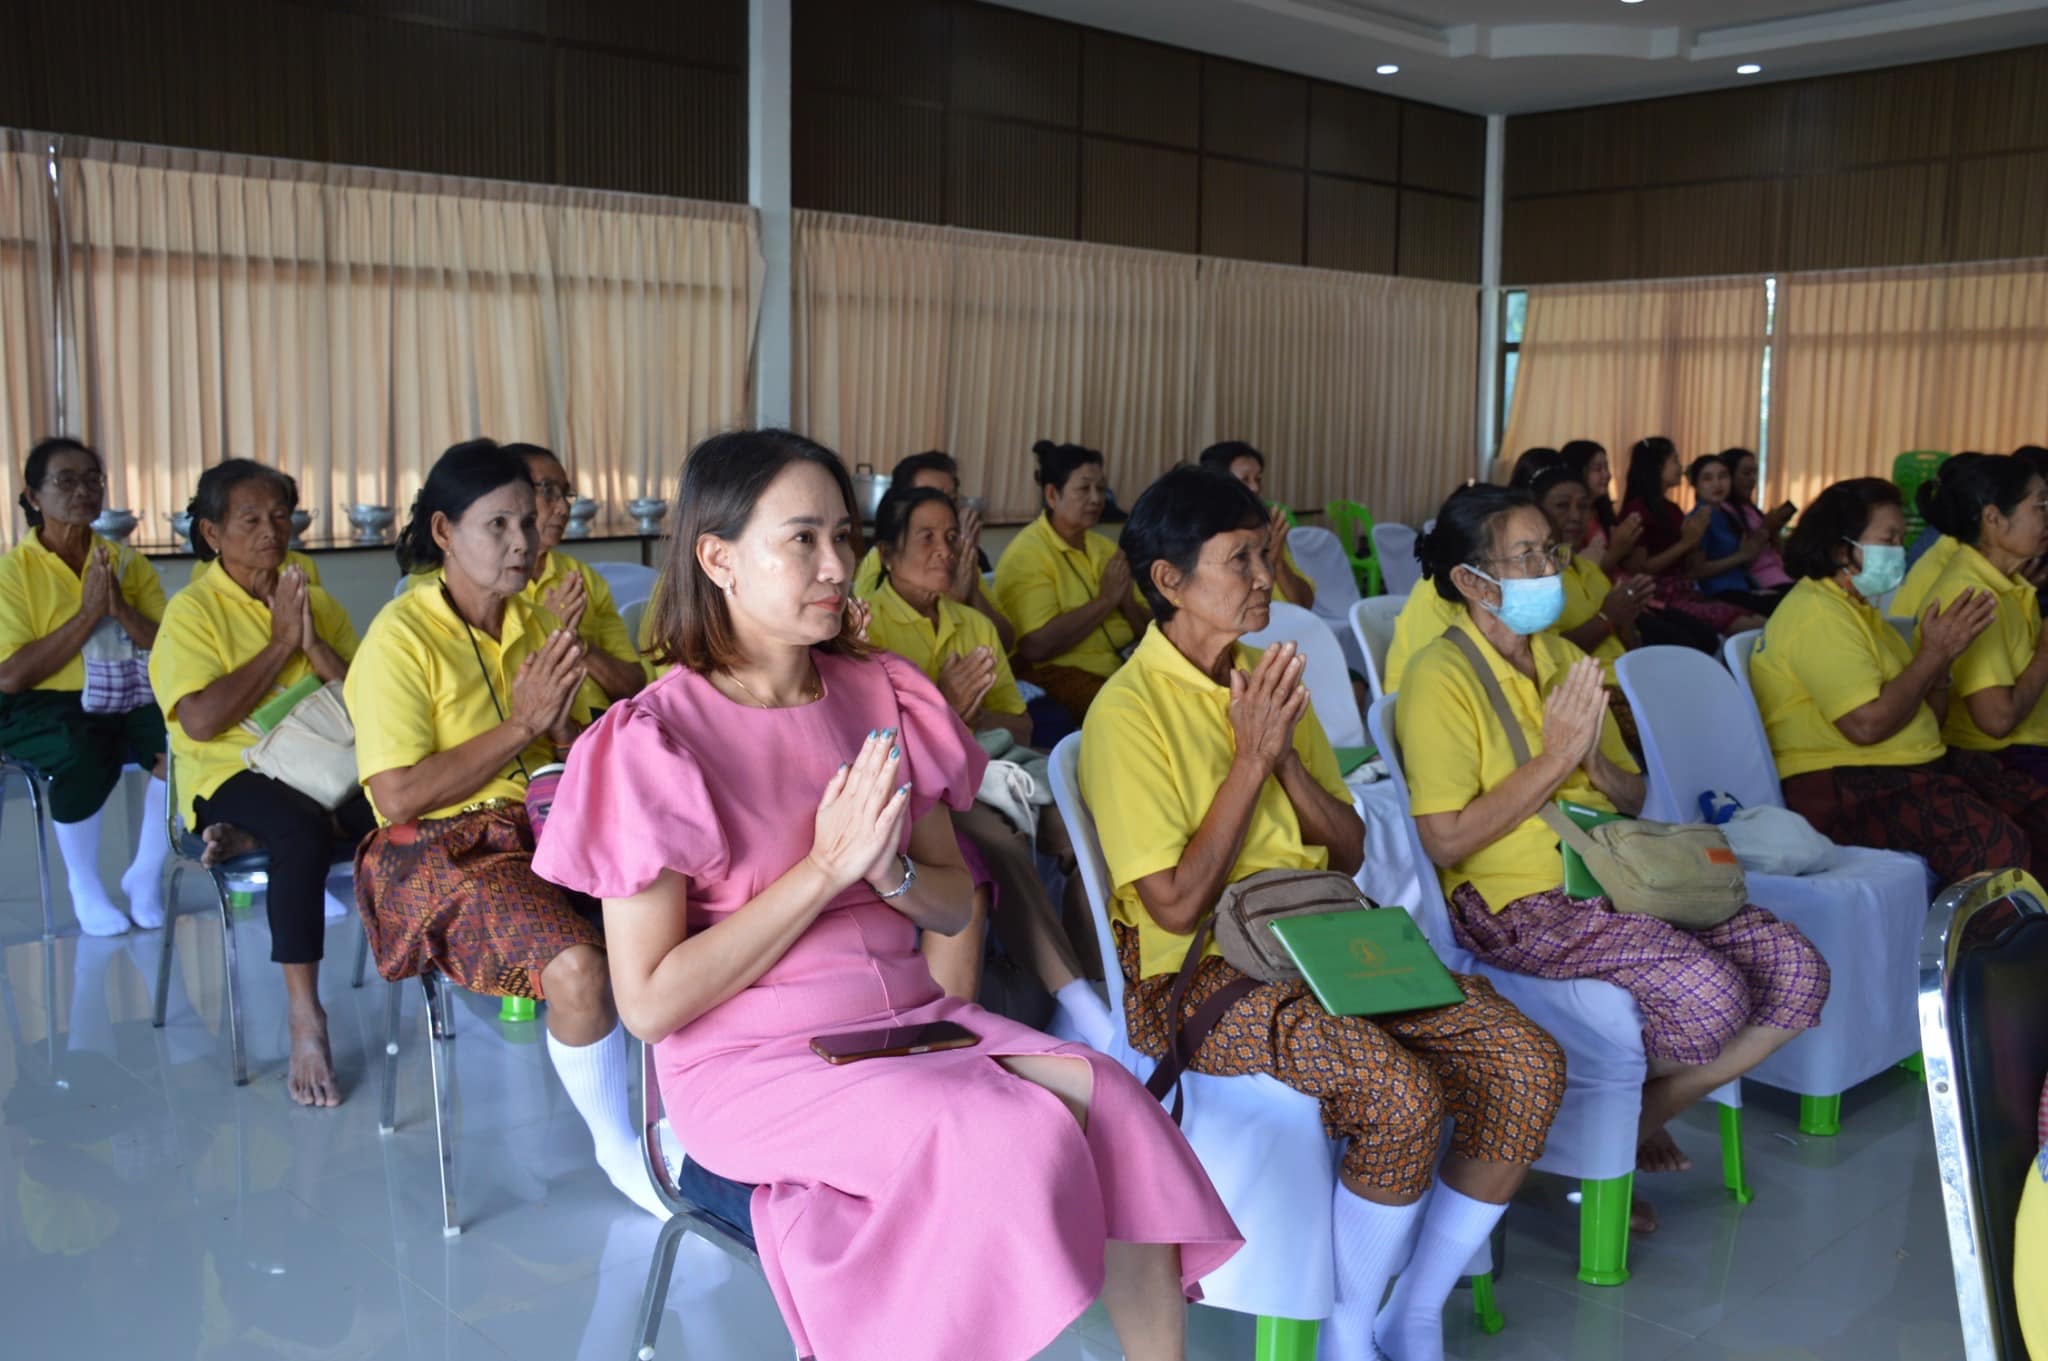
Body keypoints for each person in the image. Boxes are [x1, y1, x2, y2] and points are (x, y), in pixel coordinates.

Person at [532, 429, 1242, 1361]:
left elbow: (952, 906)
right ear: (718, 558)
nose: (836, 566)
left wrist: (888, 872)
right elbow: (651, 1003)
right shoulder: (653, 739)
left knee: (1114, 1102)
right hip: (756, 1065)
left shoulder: (880, 694)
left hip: (911, 1026)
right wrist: (824, 870)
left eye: (842, 536)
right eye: (802, 540)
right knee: (1004, 1140)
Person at [1082, 465, 1565, 1361]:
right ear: (1170, 580)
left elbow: (1345, 852)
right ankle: (1347, 1328)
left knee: (1525, 1062)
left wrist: (1284, 761)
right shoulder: (1129, 711)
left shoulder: (1269, 678)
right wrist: (1247, 761)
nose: (1266, 577)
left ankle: (1412, 1307)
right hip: (1199, 976)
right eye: (1240, 560)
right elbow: (1176, 907)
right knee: (1399, 1095)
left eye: (1263, 555)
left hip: (1323, 937)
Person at [1397, 482, 1828, 1225]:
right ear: (1473, 580)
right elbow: (1446, 838)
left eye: (1550, 552)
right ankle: (1595, 1132)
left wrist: (1594, 763)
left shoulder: (1564, 655)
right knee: (1712, 997)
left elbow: (1632, 798)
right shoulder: (1439, 677)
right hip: (1519, 902)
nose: (1550, 570)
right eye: (1526, 557)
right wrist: (1554, 758)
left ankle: (1616, 1128)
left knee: (1798, 972)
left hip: (1615, 877)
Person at [346, 439, 659, 1216]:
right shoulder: (399, 637)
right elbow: (398, 796)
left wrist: (563, 736)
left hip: (542, 824)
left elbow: (565, 745)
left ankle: (689, 1126)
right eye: (498, 525)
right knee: (580, 969)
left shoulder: (535, 621)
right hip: (435, 850)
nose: (523, 541)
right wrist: (522, 725)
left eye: (528, 520)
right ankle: (620, 1151)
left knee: (685, 920)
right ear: (444, 531)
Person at [149, 459, 375, 1107]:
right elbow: (198, 722)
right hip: (233, 770)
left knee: (396, 802)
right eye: (249, 520)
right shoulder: (191, 612)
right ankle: (306, 1017)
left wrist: (313, 643)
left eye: (280, 516)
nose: (271, 531)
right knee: (298, 831)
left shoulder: (313, 599)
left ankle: (256, 837)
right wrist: (279, 647)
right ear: (211, 533)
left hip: (321, 765)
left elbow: (368, 699)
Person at [859, 483, 1111, 1037]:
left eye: (951, 538)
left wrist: (951, 716)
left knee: (1085, 829)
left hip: (987, 767)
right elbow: (873, 741)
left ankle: (1101, 983)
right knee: (999, 844)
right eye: (926, 538)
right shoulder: (868, 628)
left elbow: (1019, 724)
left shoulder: (971, 624)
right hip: (923, 785)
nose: (944, 551)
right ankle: (1076, 1001)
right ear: (887, 554)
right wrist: (946, 708)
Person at [1749, 477, 2048, 886]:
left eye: (1900, 540)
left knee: (2033, 811)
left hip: (1904, 769)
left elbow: (1930, 719)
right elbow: (1866, 726)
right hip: (1848, 784)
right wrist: (1933, 654)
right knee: (1995, 845)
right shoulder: (1816, 614)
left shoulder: (1862, 613)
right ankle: (1982, 930)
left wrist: (1942, 665)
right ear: (1841, 550)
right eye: (1887, 540)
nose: (1899, 551)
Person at [0, 436, 170, 936]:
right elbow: (12, 675)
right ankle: (84, 884)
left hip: (126, 692)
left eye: (93, 480)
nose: (84, 491)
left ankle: (145, 874)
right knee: (81, 748)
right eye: (66, 481)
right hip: (38, 703)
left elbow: (170, 646)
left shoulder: (125, 562)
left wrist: (119, 608)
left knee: (186, 737)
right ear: (33, 496)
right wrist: (89, 615)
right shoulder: (12, 573)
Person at [1911, 454, 2048, 786]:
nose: (2047, 516)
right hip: (2001, 760)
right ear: (1994, 518)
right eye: (2041, 506)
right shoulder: (1971, 595)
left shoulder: (2009, 584)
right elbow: (1997, 720)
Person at [992, 439, 1148, 721]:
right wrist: (1106, 601)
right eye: (1084, 489)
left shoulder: (1106, 549)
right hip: (1060, 674)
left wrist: (1126, 603)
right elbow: (1035, 646)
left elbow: (1150, 627)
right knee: (1137, 716)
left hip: (1125, 665)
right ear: (1052, 495)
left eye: (1101, 489)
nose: (1096, 499)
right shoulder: (1027, 554)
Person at [503, 443, 646, 714]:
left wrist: (575, 643)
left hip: (597, 722)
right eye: (548, 490)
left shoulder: (583, 579)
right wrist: (548, 632)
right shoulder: (488, 583)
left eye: (565, 494)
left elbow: (634, 685)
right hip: (530, 725)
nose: (563, 508)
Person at [852, 450, 1011, 649]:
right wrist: (954, 600)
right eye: (928, 495)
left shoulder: (962, 556)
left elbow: (1005, 641)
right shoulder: (879, 564)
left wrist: (971, 591)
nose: (941, 506)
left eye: (951, 499)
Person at [1619, 436, 1764, 637]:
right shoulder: (1638, 509)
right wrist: (1687, 543)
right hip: (1660, 596)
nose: (1681, 467)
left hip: (1687, 591)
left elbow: (1688, 563)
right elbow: (1640, 569)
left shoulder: (1672, 509)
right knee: (1753, 627)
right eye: (1675, 460)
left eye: (1723, 476)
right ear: (1658, 467)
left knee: (1759, 622)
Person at [1197, 441, 1315, 607]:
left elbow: (1305, 604)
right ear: (1217, 484)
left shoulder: (1266, 532)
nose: (1255, 487)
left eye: (1258, 479)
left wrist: (1278, 563)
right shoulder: (1202, 538)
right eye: (1245, 479)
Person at [1685, 454, 1785, 616]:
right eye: (1708, 479)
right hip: (1718, 593)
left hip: (1742, 587)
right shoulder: (1698, 519)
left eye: (1723, 476)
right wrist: (1741, 556)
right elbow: (1697, 570)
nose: (1717, 484)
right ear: (1695, 484)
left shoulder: (1725, 515)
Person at [1561, 439, 1643, 574]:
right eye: (1598, 469)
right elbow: (1578, 573)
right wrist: (1617, 549)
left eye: (1606, 467)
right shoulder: (1569, 518)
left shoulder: (1600, 510)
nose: (1607, 475)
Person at [1717, 448, 1794, 591]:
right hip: (1761, 582)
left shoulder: (1751, 509)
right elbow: (1743, 559)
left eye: (1754, 473)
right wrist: (1765, 529)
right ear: (1729, 476)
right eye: (1746, 473)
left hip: (1780, 574)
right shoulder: (1723, 511)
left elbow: (1776, 552)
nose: (1752, 479)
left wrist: (1774, 532)